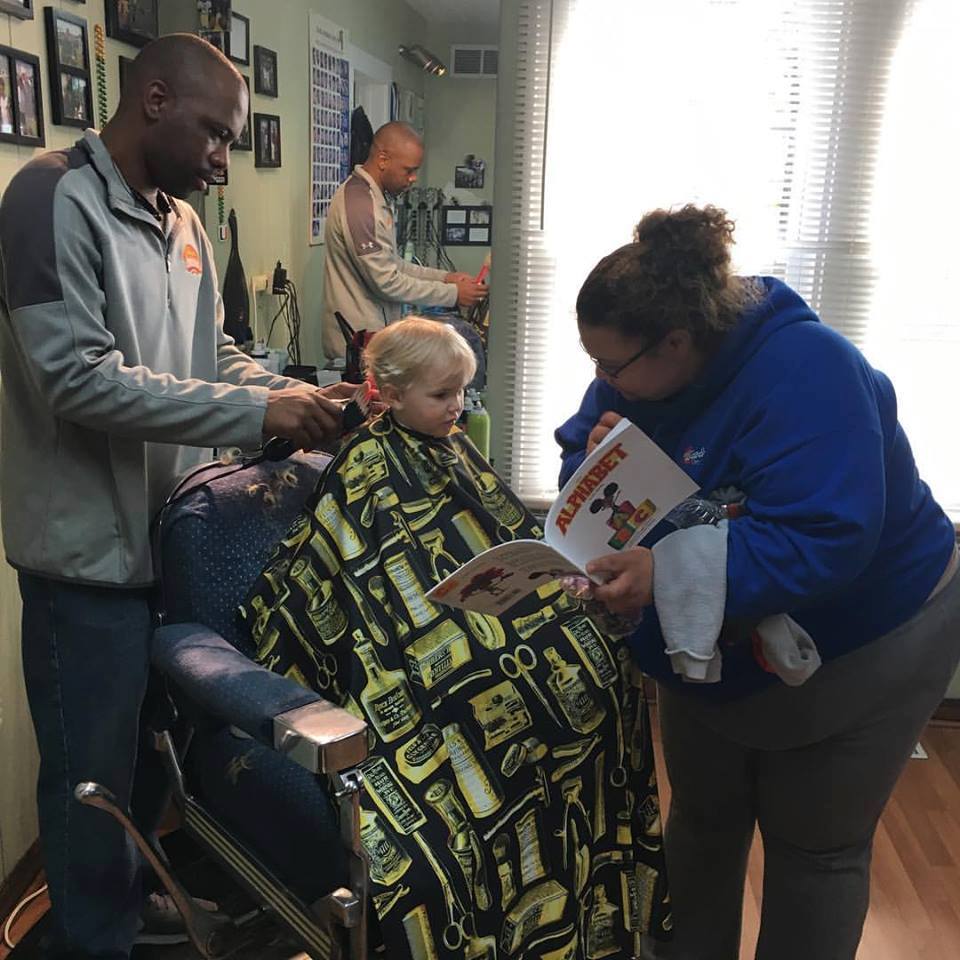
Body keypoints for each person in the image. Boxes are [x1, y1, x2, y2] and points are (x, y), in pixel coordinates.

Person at [0, 34, 354, 960]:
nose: (222, 158)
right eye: (214, 134)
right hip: (87, 563)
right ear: (153, 97)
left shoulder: (185, 224)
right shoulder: (49, 199)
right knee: (92, 780)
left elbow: (213, 358)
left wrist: (299, 399)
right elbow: (76, 381)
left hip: (174, 544)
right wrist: (255, 408)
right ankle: (93, 940)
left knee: (154, 760)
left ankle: (125, 896)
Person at [555, 204, 960, 960]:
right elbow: (585, 445)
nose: (601, 383)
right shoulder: (636, 370)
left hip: (873, 627)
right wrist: (594, 473)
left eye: (612, 368)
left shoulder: (809, 369)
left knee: (815, 849)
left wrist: (663, 568)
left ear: (677, 340)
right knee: (702, 822)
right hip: (716, 631)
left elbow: (825, 535)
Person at [241, 317, 672, 960]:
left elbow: (499, 532)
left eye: (465, 393)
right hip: (409, 644)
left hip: (484, 616)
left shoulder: (453, 445)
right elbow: (358, 574)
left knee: (604, 680)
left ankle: (583, 919)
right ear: (386, 393)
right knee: (484, 727)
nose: (459, 409)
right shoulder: (364, 464)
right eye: (443, 395)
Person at [320, 121, 486, 359]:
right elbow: (386, 282)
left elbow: (393, 265)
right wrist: (452, 294)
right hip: (357, 343)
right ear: (383, 159)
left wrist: (445, 278)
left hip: (376, 338)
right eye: (408, 170)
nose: (413, 178)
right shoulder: (359, 205)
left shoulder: (374, 199)